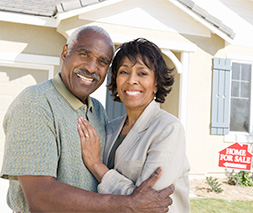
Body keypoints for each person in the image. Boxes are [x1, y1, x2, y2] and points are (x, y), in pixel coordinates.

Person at [1, 26, 174, 212]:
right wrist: (129, 204)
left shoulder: (97, 110)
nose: (91, 67)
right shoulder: (35, 104)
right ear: (65, 52)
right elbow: (40, 197)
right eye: (84, 54)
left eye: (102, 61)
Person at [77, 38, 190, 212]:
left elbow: (149, 203)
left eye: (142, 73)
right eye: (124, 72)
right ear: (116, 81)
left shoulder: (168, 129)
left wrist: (96, 166)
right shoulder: (111, 127)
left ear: (156, 83)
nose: (131, 80)